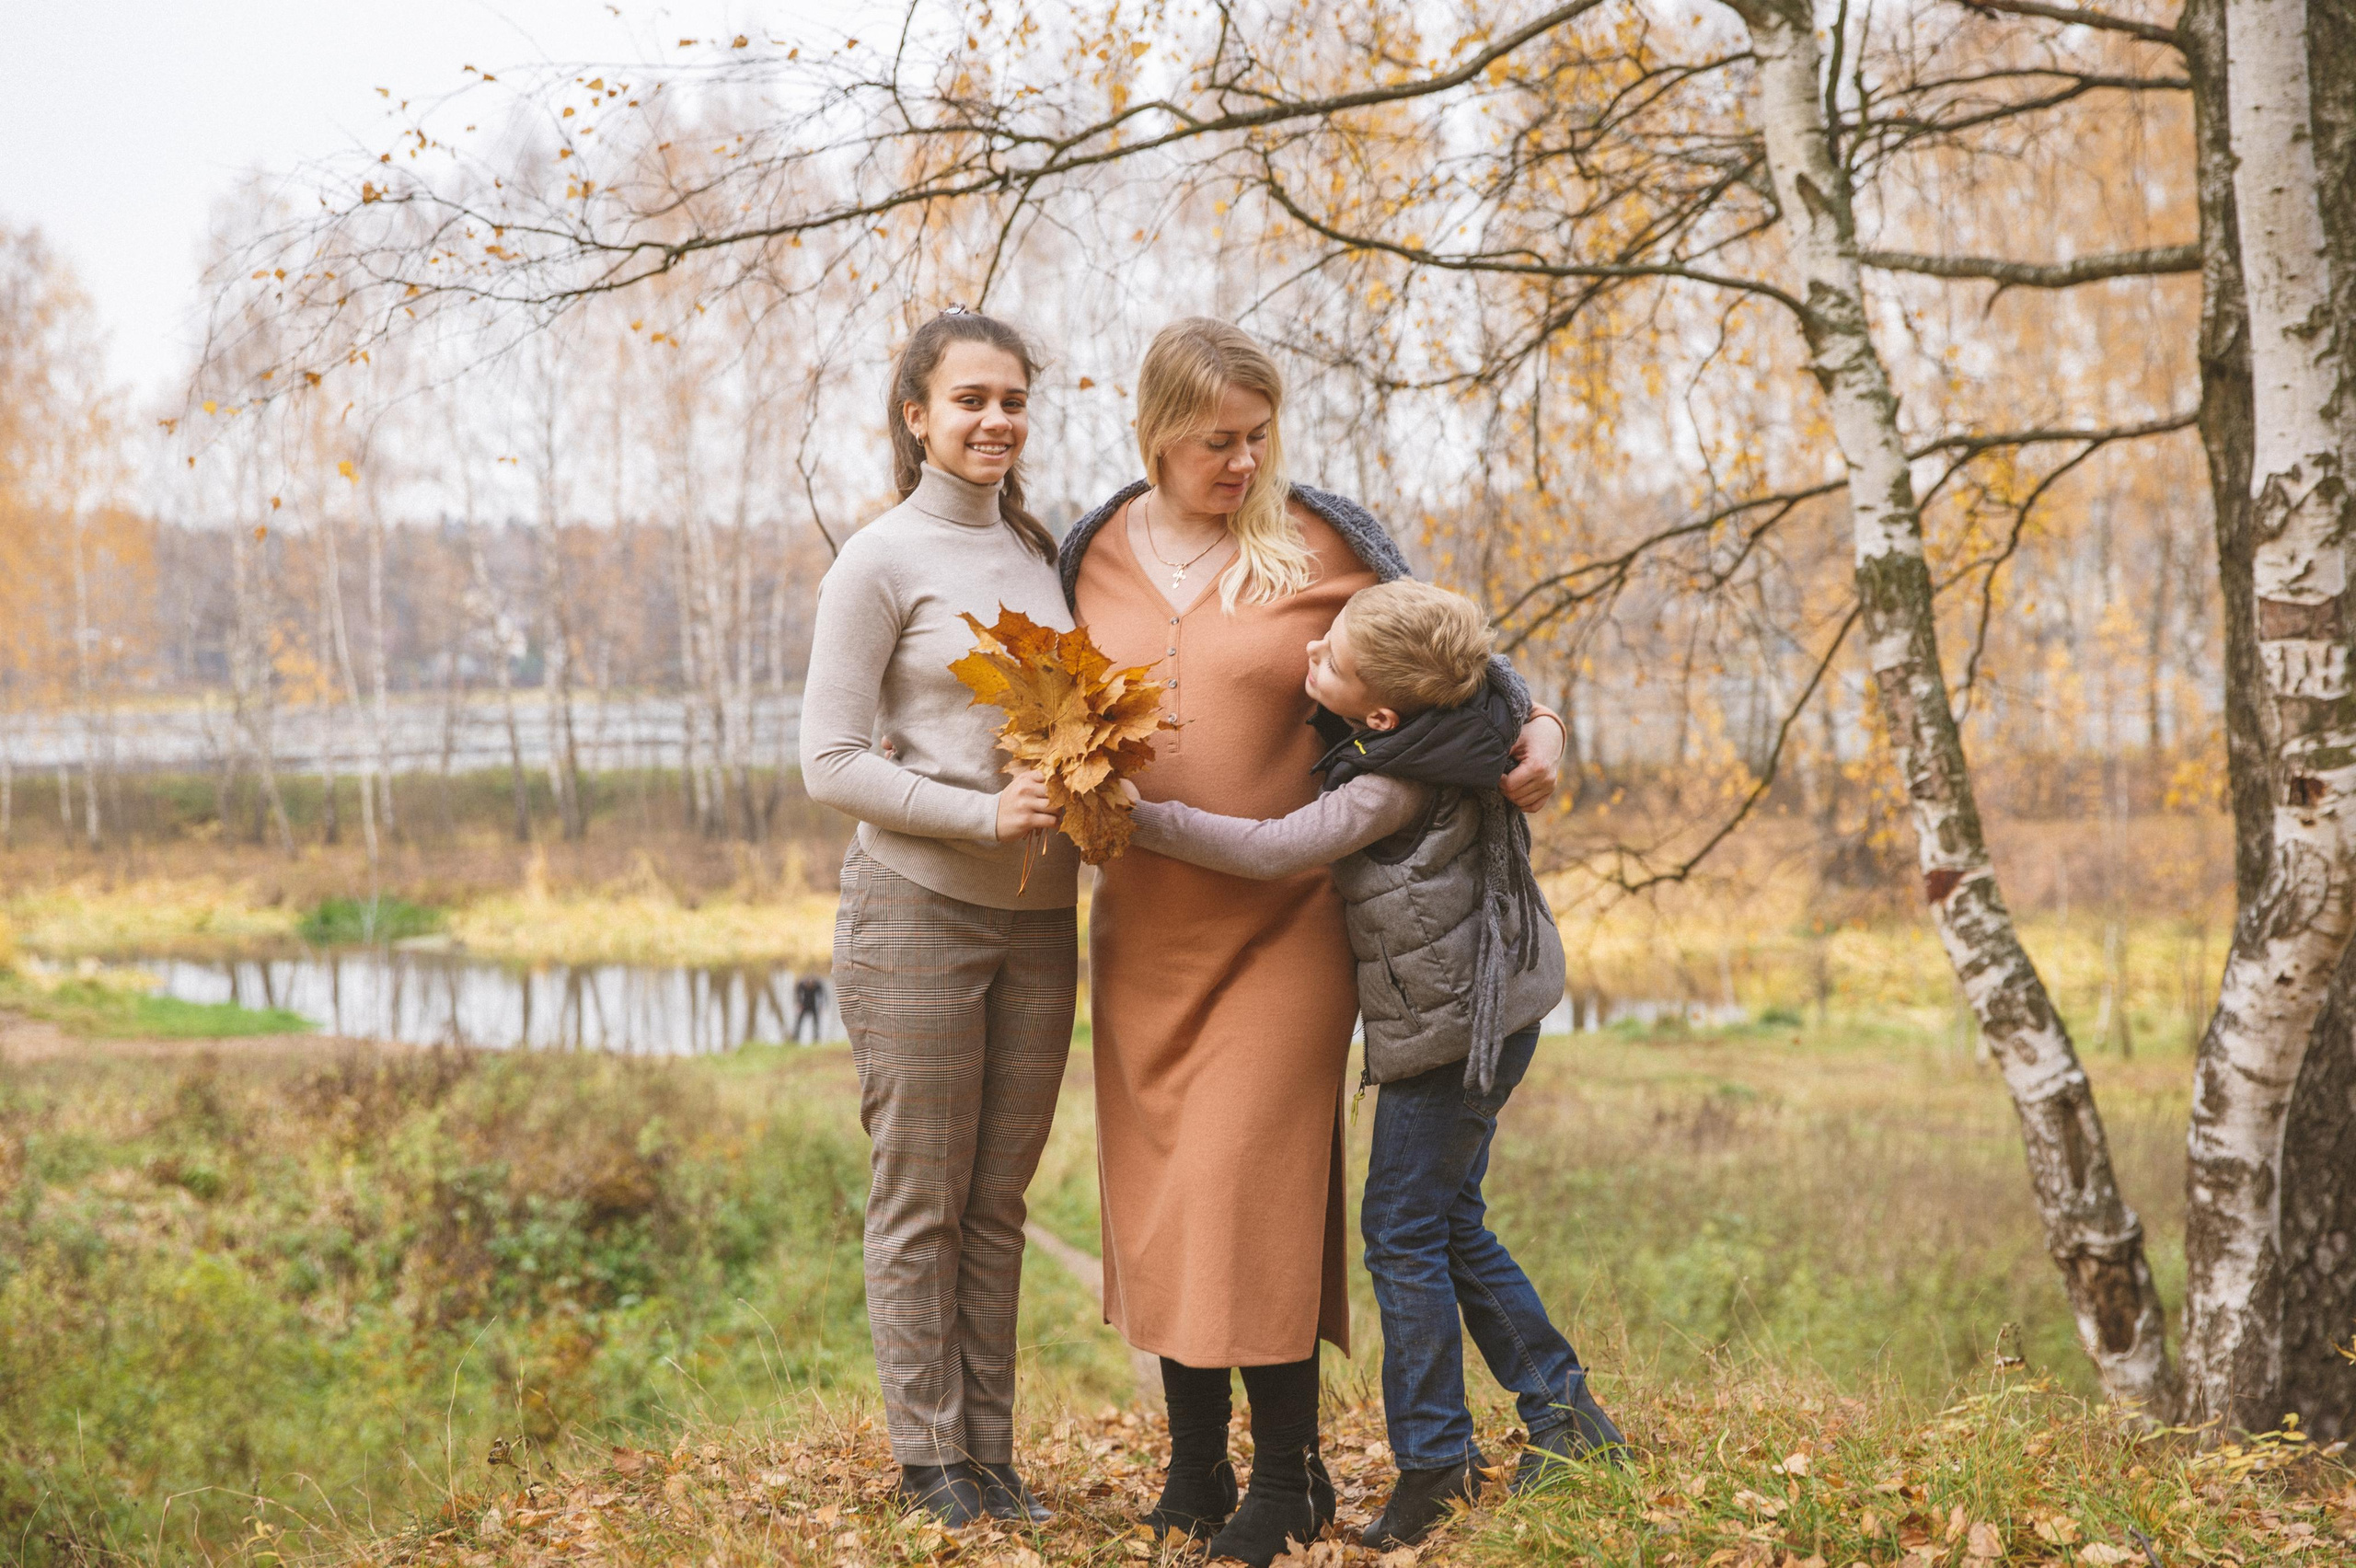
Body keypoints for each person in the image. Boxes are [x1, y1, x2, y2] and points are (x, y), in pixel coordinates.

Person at [1059, 318, 1565, 1567]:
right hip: (1141, 934)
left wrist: (1545, 720)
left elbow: (1463, 660)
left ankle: (1287, 1479)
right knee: (1169, 1197)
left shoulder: (1321, 539)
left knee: (1254, 1189)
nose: (1239, 462)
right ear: (1154, 433)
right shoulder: (1088, 554)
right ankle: (1193, 1466)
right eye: (1213, 441)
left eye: (1256, 435)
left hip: (1287, 929)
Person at [1123, 579, 1625, 1551]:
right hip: (1491, 1004)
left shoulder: (1393, 781)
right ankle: (1566, 1417)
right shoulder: (1466, 717)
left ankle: (1435, 1462)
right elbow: (1511, 693)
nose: (1309, 656)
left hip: (1451, 1030)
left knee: (1400, 1232)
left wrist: (1138, 815)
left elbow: (1274, 848)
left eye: (1330, 663)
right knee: (1446, 1219)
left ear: (1383, 713)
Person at [798, 309, 1077, 1528]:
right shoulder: (878, 560)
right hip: (916, 908)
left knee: (998, 1200)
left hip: (1042, 922)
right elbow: (830, 763)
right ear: (916, 415)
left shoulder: (1041, 554)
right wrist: (978, 815)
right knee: (922, 1194)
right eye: (969, 399)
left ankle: (994, 1457)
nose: (995, 420)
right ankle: (931, 1463)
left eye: (1012, 399)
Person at [791, 975, 826, 1043]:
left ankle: (816, 1037)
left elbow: (822, 995)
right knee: (799, 1021)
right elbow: (797, 994)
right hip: (804, 1005)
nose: (810, 985)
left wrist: (821, 1006)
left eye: (811, 984)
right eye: (808, 984)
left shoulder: (817, 985)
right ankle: (796, 1037)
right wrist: (799, 1004)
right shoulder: (801, 985)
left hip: (813, 1005)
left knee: (816, 1022)